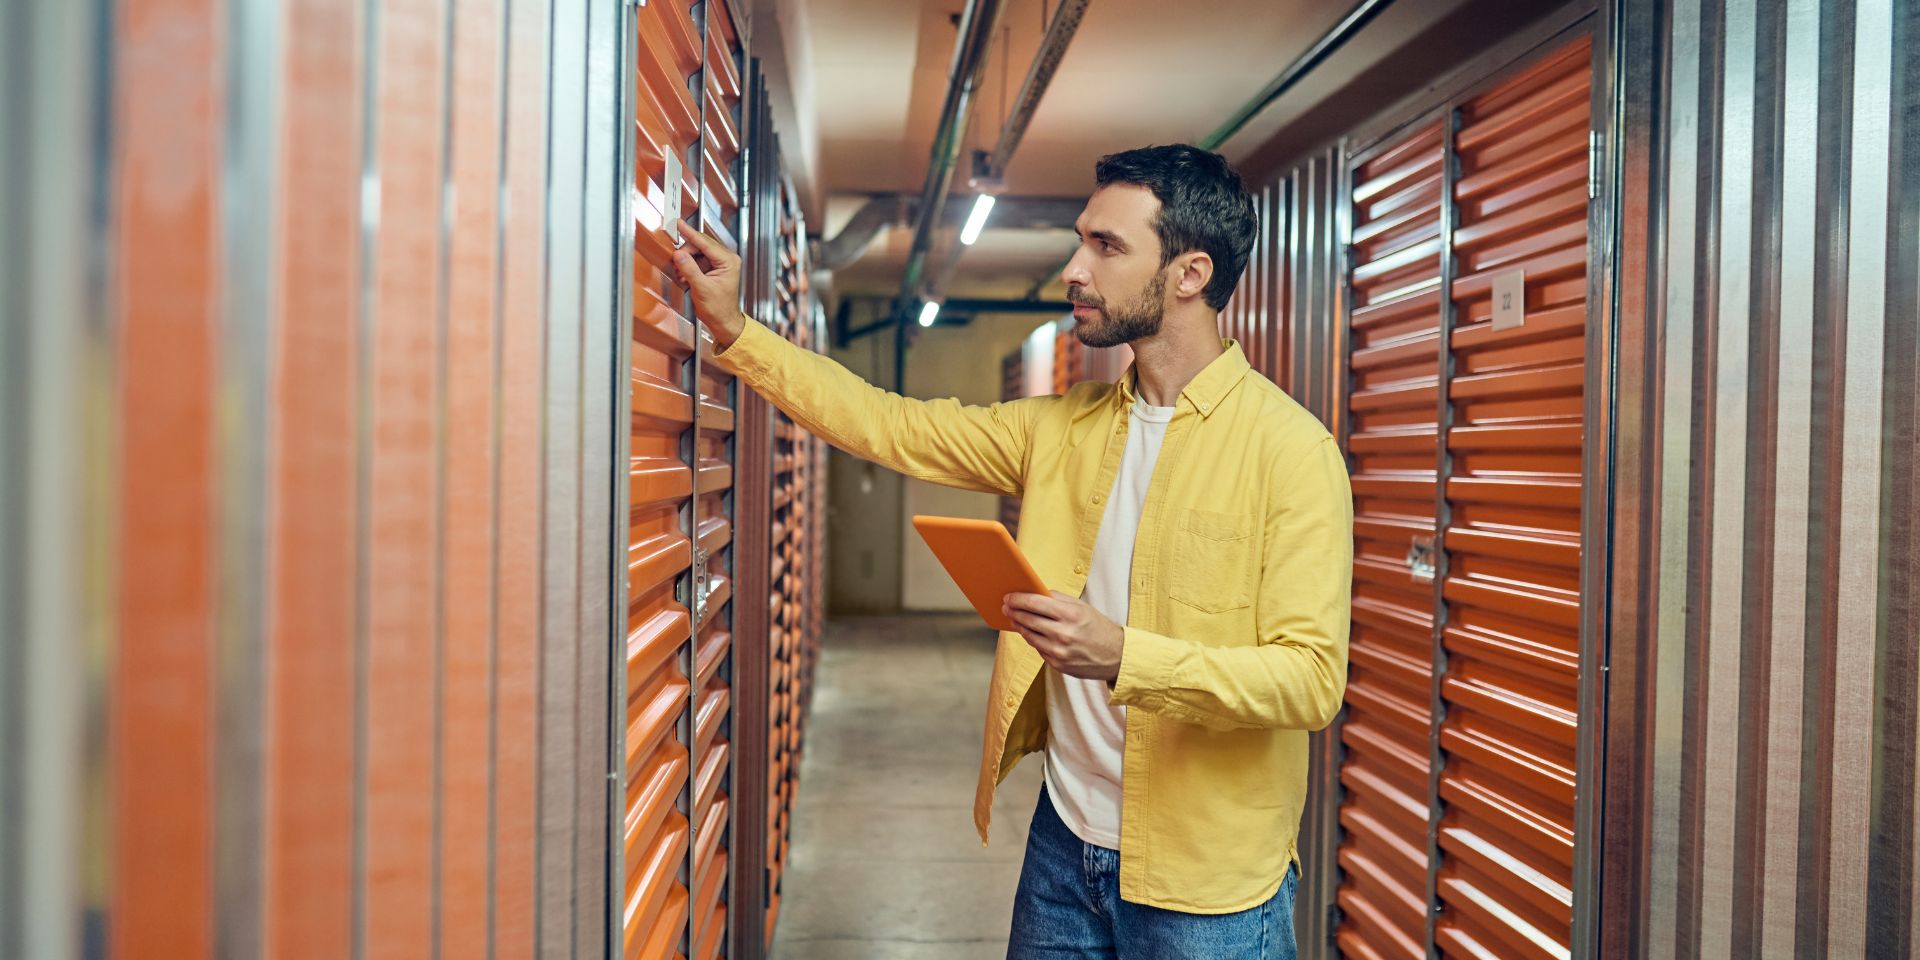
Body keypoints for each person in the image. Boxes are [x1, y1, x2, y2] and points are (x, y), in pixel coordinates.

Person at [670, 143, 1352, 960]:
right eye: (1079, 239)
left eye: (1106, 246)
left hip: (1209, 890)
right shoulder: (1064, 425)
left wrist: (1124, 656)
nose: (1073, 267)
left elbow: (1310, 680)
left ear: (1191, 273)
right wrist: (737, 331)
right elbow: (892, 425)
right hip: (1064, 846)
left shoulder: (1291, 451)